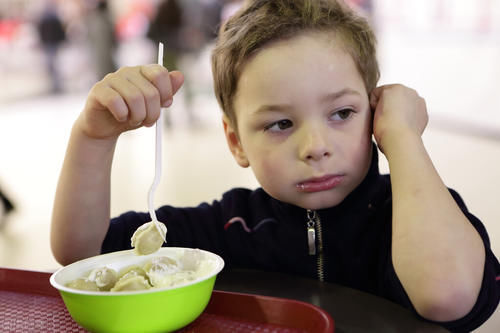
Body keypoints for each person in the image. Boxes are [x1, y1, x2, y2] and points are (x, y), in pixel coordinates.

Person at [51, 0, 499, 331]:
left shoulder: (422, 214)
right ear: (236, 141)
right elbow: (81, 254)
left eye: (342, 113)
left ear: (375, 111)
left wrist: (402, 139)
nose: (316, 146)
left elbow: (448, 297)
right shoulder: (229, 228)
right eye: (281, 123)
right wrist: (93, 135)